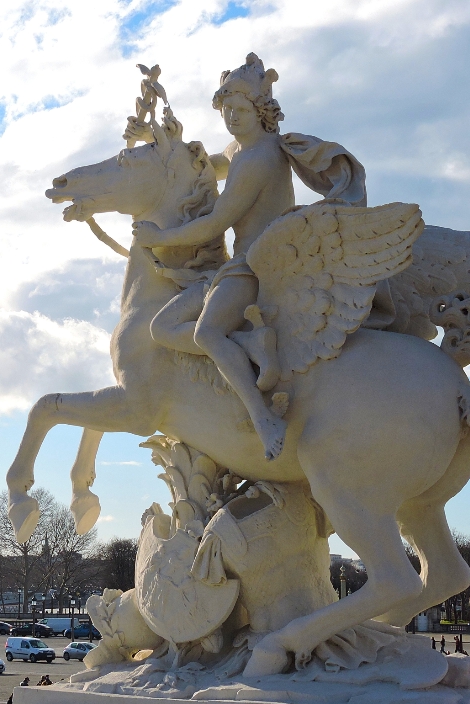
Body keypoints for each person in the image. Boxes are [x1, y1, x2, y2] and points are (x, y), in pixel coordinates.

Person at [131, 53, 366, 461]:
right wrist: (172, 146)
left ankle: (262, 418)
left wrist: (160, 236)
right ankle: (250, 344)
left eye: (240, 110)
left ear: (261, 111)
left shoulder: (261, 158)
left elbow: (216, 222)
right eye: (226, 111)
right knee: (162, 326)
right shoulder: (241, 147)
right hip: (235, 266)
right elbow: (217, 164)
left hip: (258, 266)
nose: (232, 118)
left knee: (206, 334)